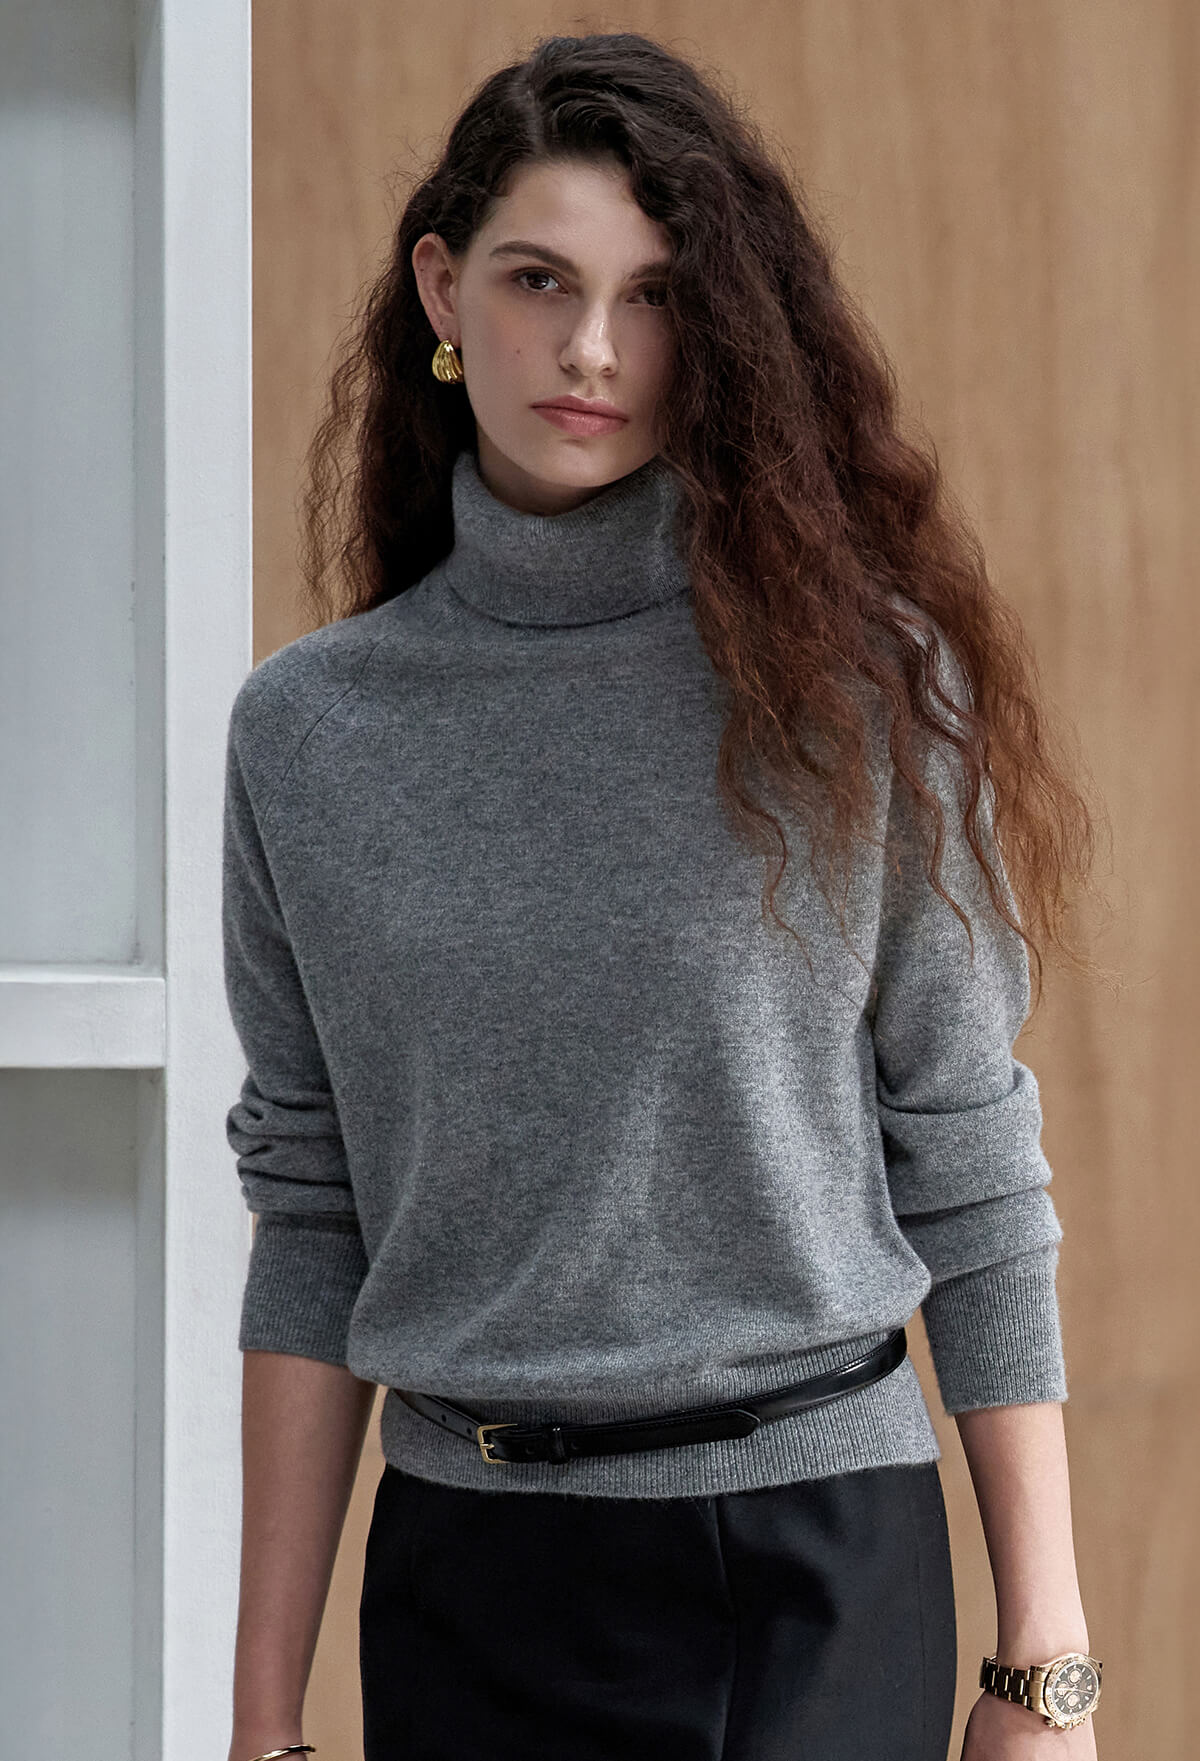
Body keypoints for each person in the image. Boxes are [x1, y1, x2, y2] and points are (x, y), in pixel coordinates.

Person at [222, 31, 1110, 1761]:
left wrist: (1045, 1664)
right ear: (443, 290)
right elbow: (312, 1209)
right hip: (467, 1573)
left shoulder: (853, 694)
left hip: (811, 1564)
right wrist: (262, 1714)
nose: (594, 350)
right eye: (539, 280)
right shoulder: (311, 735)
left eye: (654, 297)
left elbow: (970, 1152)